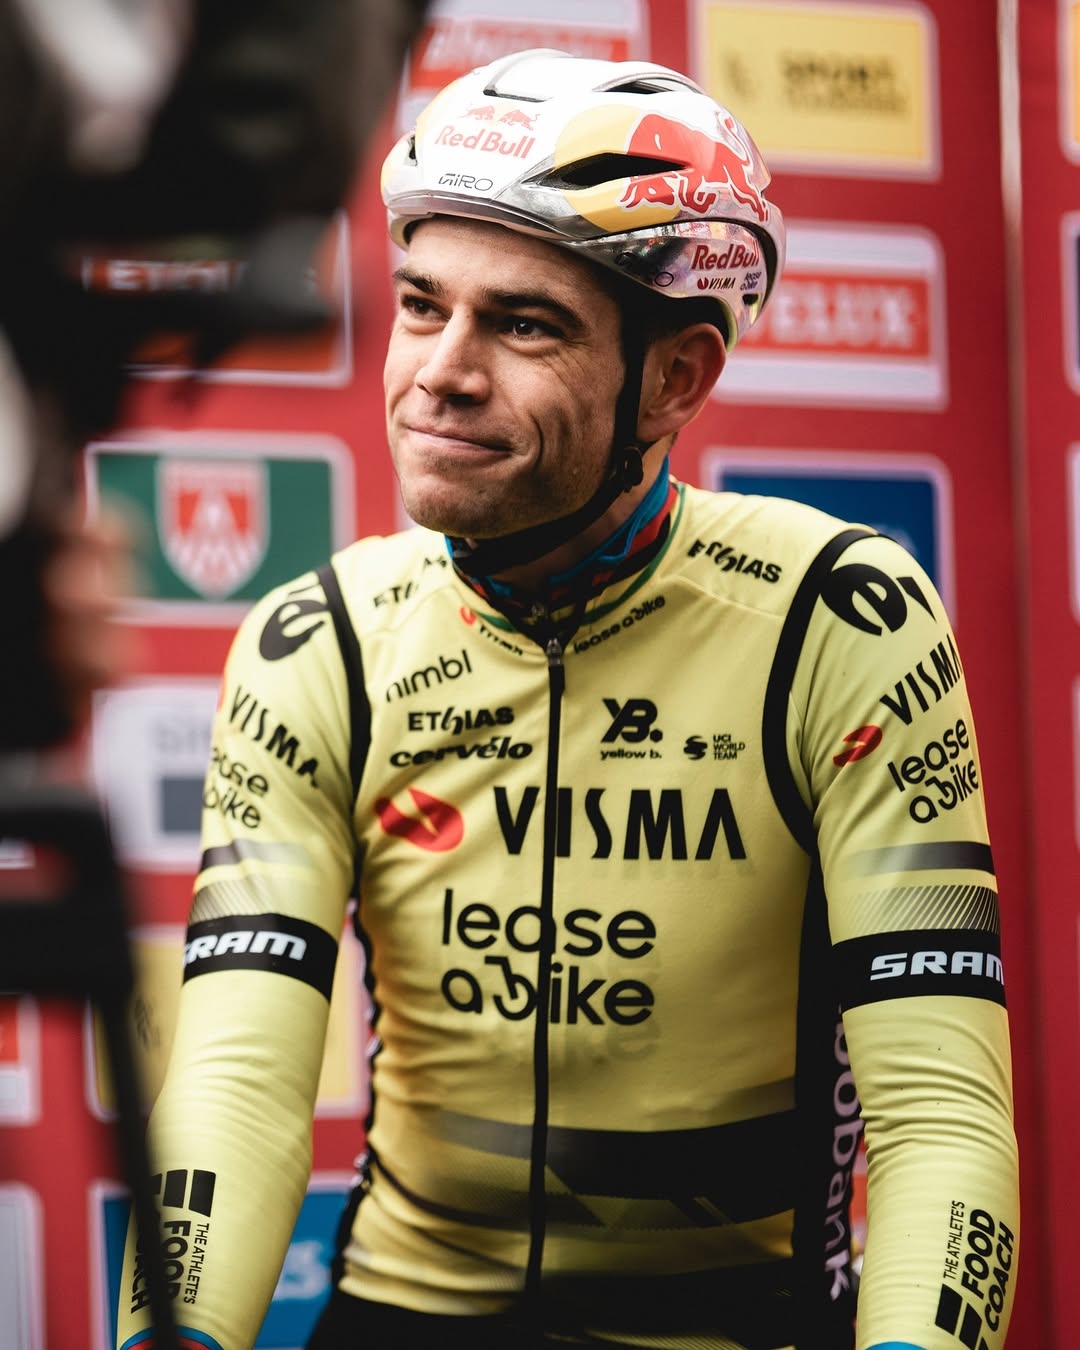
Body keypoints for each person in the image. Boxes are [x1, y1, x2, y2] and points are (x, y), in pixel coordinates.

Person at [114, 48, 1020, 1350]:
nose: (441, 369)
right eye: (422, 305)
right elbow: (238, 1085)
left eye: (523, 324)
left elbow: (941, 1119)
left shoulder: (837, 619)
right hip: (411, 1314)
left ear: (676, 377)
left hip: (738, 1324)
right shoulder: (325, 641)